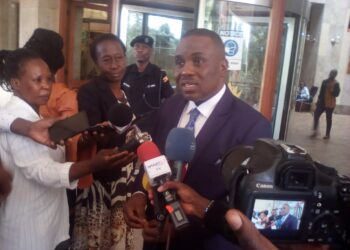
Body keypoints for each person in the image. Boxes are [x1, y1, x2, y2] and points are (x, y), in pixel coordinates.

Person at [123, 28, 272, 250]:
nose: (185, 71)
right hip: (155, 237)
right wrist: (138, 194)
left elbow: (246, 207)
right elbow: (152, 156)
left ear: (223, 68)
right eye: (180, 62)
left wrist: (183, 225)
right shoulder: (170, 106)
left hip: (206, 242)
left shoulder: (252, 125)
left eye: (198, 61)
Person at [0, 48, 134, 250]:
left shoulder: (34, 117)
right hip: (28, 229)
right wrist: (92, 164)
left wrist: (83, 141)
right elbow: (42, 172)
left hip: (49, 220)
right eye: (38, 80)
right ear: (15, 83)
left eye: (49, 79)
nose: (46, 86)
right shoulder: (21, 119)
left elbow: (50, 155)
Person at [74, 33, 141, 250]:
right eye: (107, 59)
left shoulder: (131, 89)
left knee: (126, 238)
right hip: (104, 177)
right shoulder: (89, 91)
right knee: (101, 239)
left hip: (130, 176)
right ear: (96, 62)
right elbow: (92, 132)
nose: (114, 65)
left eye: (119, 58)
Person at [122, 35, 174, 133]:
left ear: (151, 51)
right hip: (128, 126)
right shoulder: (125, 72)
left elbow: (170, 99)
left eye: (144, 47)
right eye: (137, 46)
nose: (140, 50)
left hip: (151, 127)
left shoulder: (159, 74)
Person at [312, 69, 341, 139]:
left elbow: (336, 94)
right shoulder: (324, 82)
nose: (331, 74)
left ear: (335, 75)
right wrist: (318, 100)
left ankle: (327, 134)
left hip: (330, 103)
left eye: (333, 74)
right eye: (331, 73)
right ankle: (315, 131)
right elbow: (321, 92)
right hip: (322, 102)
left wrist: (331, 90)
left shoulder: (336, 84)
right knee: (316, 114)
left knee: (328, 118)